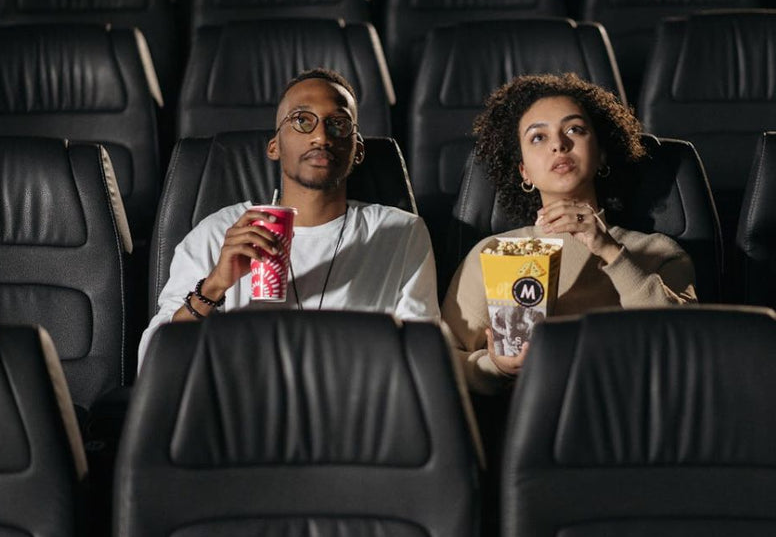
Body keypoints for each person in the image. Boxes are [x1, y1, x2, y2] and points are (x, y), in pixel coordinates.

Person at [139, 68, 440, 367]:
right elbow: (151, 363)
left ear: (357, 150)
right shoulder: (218, 232)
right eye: (302, 121)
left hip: (355, 405)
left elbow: (423, 360)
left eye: (338, 123)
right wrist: (215, 285)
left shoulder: (401, 232)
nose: (321, 136)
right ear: (274, 146)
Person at [442, 73, 697, 395]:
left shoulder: (657, 251)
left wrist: (609, 250)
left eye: (575, 130)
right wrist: (497, 367)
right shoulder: (492, 253)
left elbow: (684, 343)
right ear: (524, 171)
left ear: (602, 154)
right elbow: (445, 361)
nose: (559, 144)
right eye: (538, 137)